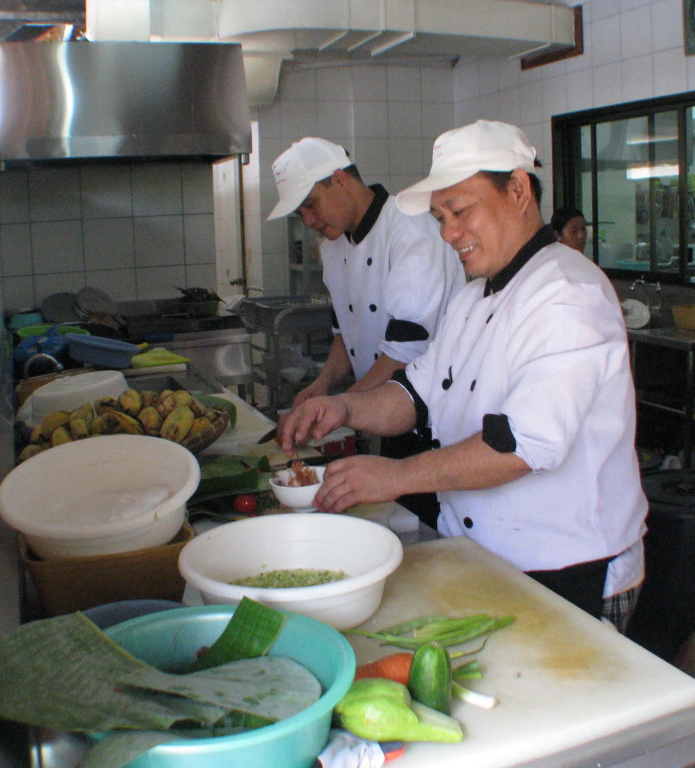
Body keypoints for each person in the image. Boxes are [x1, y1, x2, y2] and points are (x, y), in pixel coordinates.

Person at [277, 121, 647, 632]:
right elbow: (415, 394)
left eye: (460, 211)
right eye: (440, 218)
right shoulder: (474, 298)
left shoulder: (567, 294)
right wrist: (343, 407)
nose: (448, 234)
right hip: (487, 557)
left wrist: (397, 476)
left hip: (568, 567)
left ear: (518, 190)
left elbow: (520, 446)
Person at [267, 137, 465, 529]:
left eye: (311, 204)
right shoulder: (332, 248)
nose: (308, 220)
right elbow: (346, 332)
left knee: (432, 527)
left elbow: (405, 351)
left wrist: (342, 408)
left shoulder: (411, 229)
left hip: (439, 420)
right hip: (387, 413)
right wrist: (321, 387)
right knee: (400, 522)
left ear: (340, 180)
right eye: (300, 212)